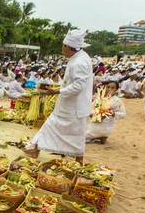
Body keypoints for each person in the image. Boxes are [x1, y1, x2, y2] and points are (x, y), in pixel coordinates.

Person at [24, 30, 93, 163]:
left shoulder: (79, 62)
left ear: (68, 47)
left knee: (76, 135)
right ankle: (35, 148)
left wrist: (56, 92)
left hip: (74, 107)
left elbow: (79, 86)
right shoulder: (80, 58)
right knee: (51, 126)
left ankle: (78, 161)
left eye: (63, 46)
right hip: (68, 104)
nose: (62, 49)